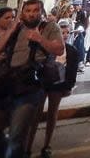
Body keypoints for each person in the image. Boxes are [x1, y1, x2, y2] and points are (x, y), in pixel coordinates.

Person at [0, 0, 64, 158]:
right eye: (28, 10)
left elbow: (59, 49)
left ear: (41, 12)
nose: (31, 14)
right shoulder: (15, 28)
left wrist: (40, 39)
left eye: (35, 10)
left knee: (17, 137)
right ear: (22, 13)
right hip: (5, 83)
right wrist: (9, 33)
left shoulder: (49, 27)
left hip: (29, 86)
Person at [36, 19, 78, 158]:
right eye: (62, 32)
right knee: (36, 113)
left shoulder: (71, 50)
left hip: (58, 85)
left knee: (52, 113)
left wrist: (68, 86)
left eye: (67, 32)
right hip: (42, 83)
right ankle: (27, 144)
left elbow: (72, 70)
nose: (64, 35)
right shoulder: (46, 47)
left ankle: (46, 144)